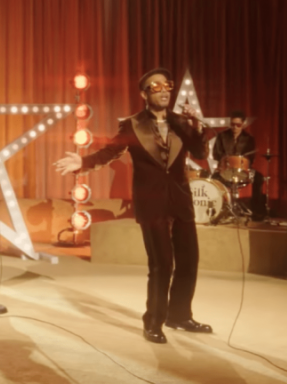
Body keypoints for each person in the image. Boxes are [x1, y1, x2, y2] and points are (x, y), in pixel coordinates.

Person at [54, 68, 213, 344]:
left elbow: (200, 153)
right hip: (151, 202)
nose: (163, 91)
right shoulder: (132, 125)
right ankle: (153, 321)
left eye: (167, 85)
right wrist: (83, 162)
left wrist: (196, 128)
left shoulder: (180, 122)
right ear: (144, 94)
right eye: (156, 87)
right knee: (162, 264)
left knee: (189, 260)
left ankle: (179, 315)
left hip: (180, 199)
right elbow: (110, 151)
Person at [211, 111, 265, 221]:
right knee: (213, 179)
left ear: (243, 124)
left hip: (242, 169)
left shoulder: (249, 138)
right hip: (225, 169)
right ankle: (217, 209)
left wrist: (244, 163)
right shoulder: (221, 136)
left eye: (238, 125)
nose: (235, 127)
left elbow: (251, 157)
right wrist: (224, 161)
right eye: (232, 124)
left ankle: (256, 212)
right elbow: (216, 153)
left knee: (259, 178)